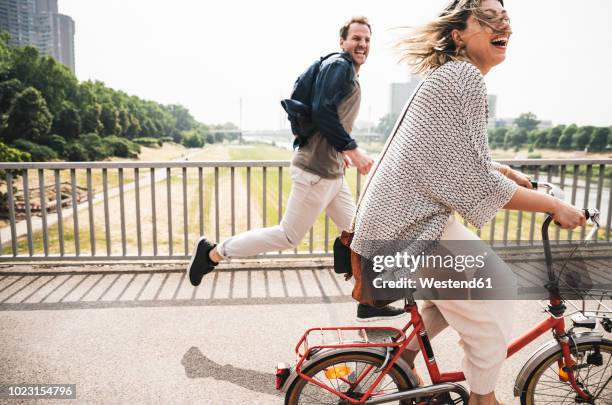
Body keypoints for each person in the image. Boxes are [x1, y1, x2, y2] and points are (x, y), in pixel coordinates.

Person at [349, 1, 586, 404]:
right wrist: (553, 206)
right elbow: (469, 179)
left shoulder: (447, 76)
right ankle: (482, 397)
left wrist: (506, 172)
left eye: (505, 15)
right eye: (489, 15)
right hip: (409, 229)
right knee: (496, 294)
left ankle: (398, 361)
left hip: (389, 228)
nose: (503, 22)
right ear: (459, 33)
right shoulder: (464, 78)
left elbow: (455, 157)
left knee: (459, 292)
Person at [187, 16, 407, 322]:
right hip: (316, 174)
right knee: (287, 236)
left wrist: (338, 152)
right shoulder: (340, 66)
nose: (362, 44)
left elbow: (327, 118)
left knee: (359, 233)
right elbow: (323, 111)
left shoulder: (347, 73)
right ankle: (212, 253)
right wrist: (352, 150)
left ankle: (368, 301)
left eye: (367, 40)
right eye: (356, 38)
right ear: (343, 41)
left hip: (331, 173)